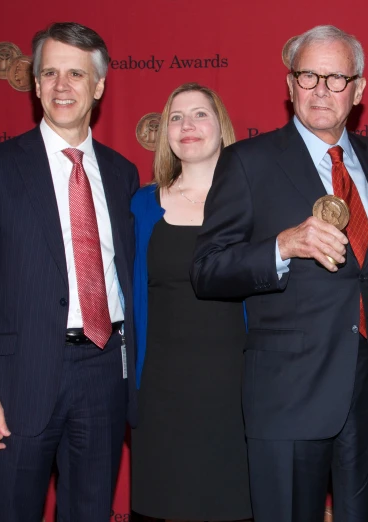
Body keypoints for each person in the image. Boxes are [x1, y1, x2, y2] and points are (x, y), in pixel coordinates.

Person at [191, 25, 368, 522]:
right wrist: (282, 246)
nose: (322, 90)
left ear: (359, 89)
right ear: (289, 86)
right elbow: (207, 269)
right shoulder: (247, 161)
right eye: (309, 76)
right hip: (289, 389)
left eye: (336, 77)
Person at [0, 22, 138, 522]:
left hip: (103, 374)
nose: (61, 86)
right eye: (49, 73)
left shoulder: (122, 174)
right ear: (34, 85)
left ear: (98, 86)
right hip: (15, 383)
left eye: (76, 74)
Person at [129, 83, 251, 522]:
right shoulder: (140, 206)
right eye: (176, 117)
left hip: (236, 395)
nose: (187, 125)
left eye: (200, 114)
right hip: (160, 395)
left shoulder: (254, 207)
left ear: (222, 126)